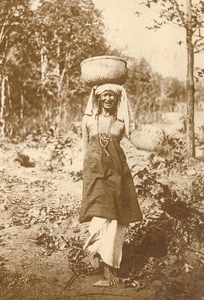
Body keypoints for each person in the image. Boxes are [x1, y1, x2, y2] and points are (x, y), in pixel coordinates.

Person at [79, 83, 143, 287]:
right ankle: (101, 262)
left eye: (111, 95)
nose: (108, 99)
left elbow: (136, 139)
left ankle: (107, 264)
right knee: (100, 216)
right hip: (95, 174)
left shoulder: (121, 123)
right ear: (98, 98)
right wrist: (85, 172)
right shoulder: (88, 120)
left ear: (117, 99)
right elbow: (84, 147)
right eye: (104, 95)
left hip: (117, 174)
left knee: (116, 219)